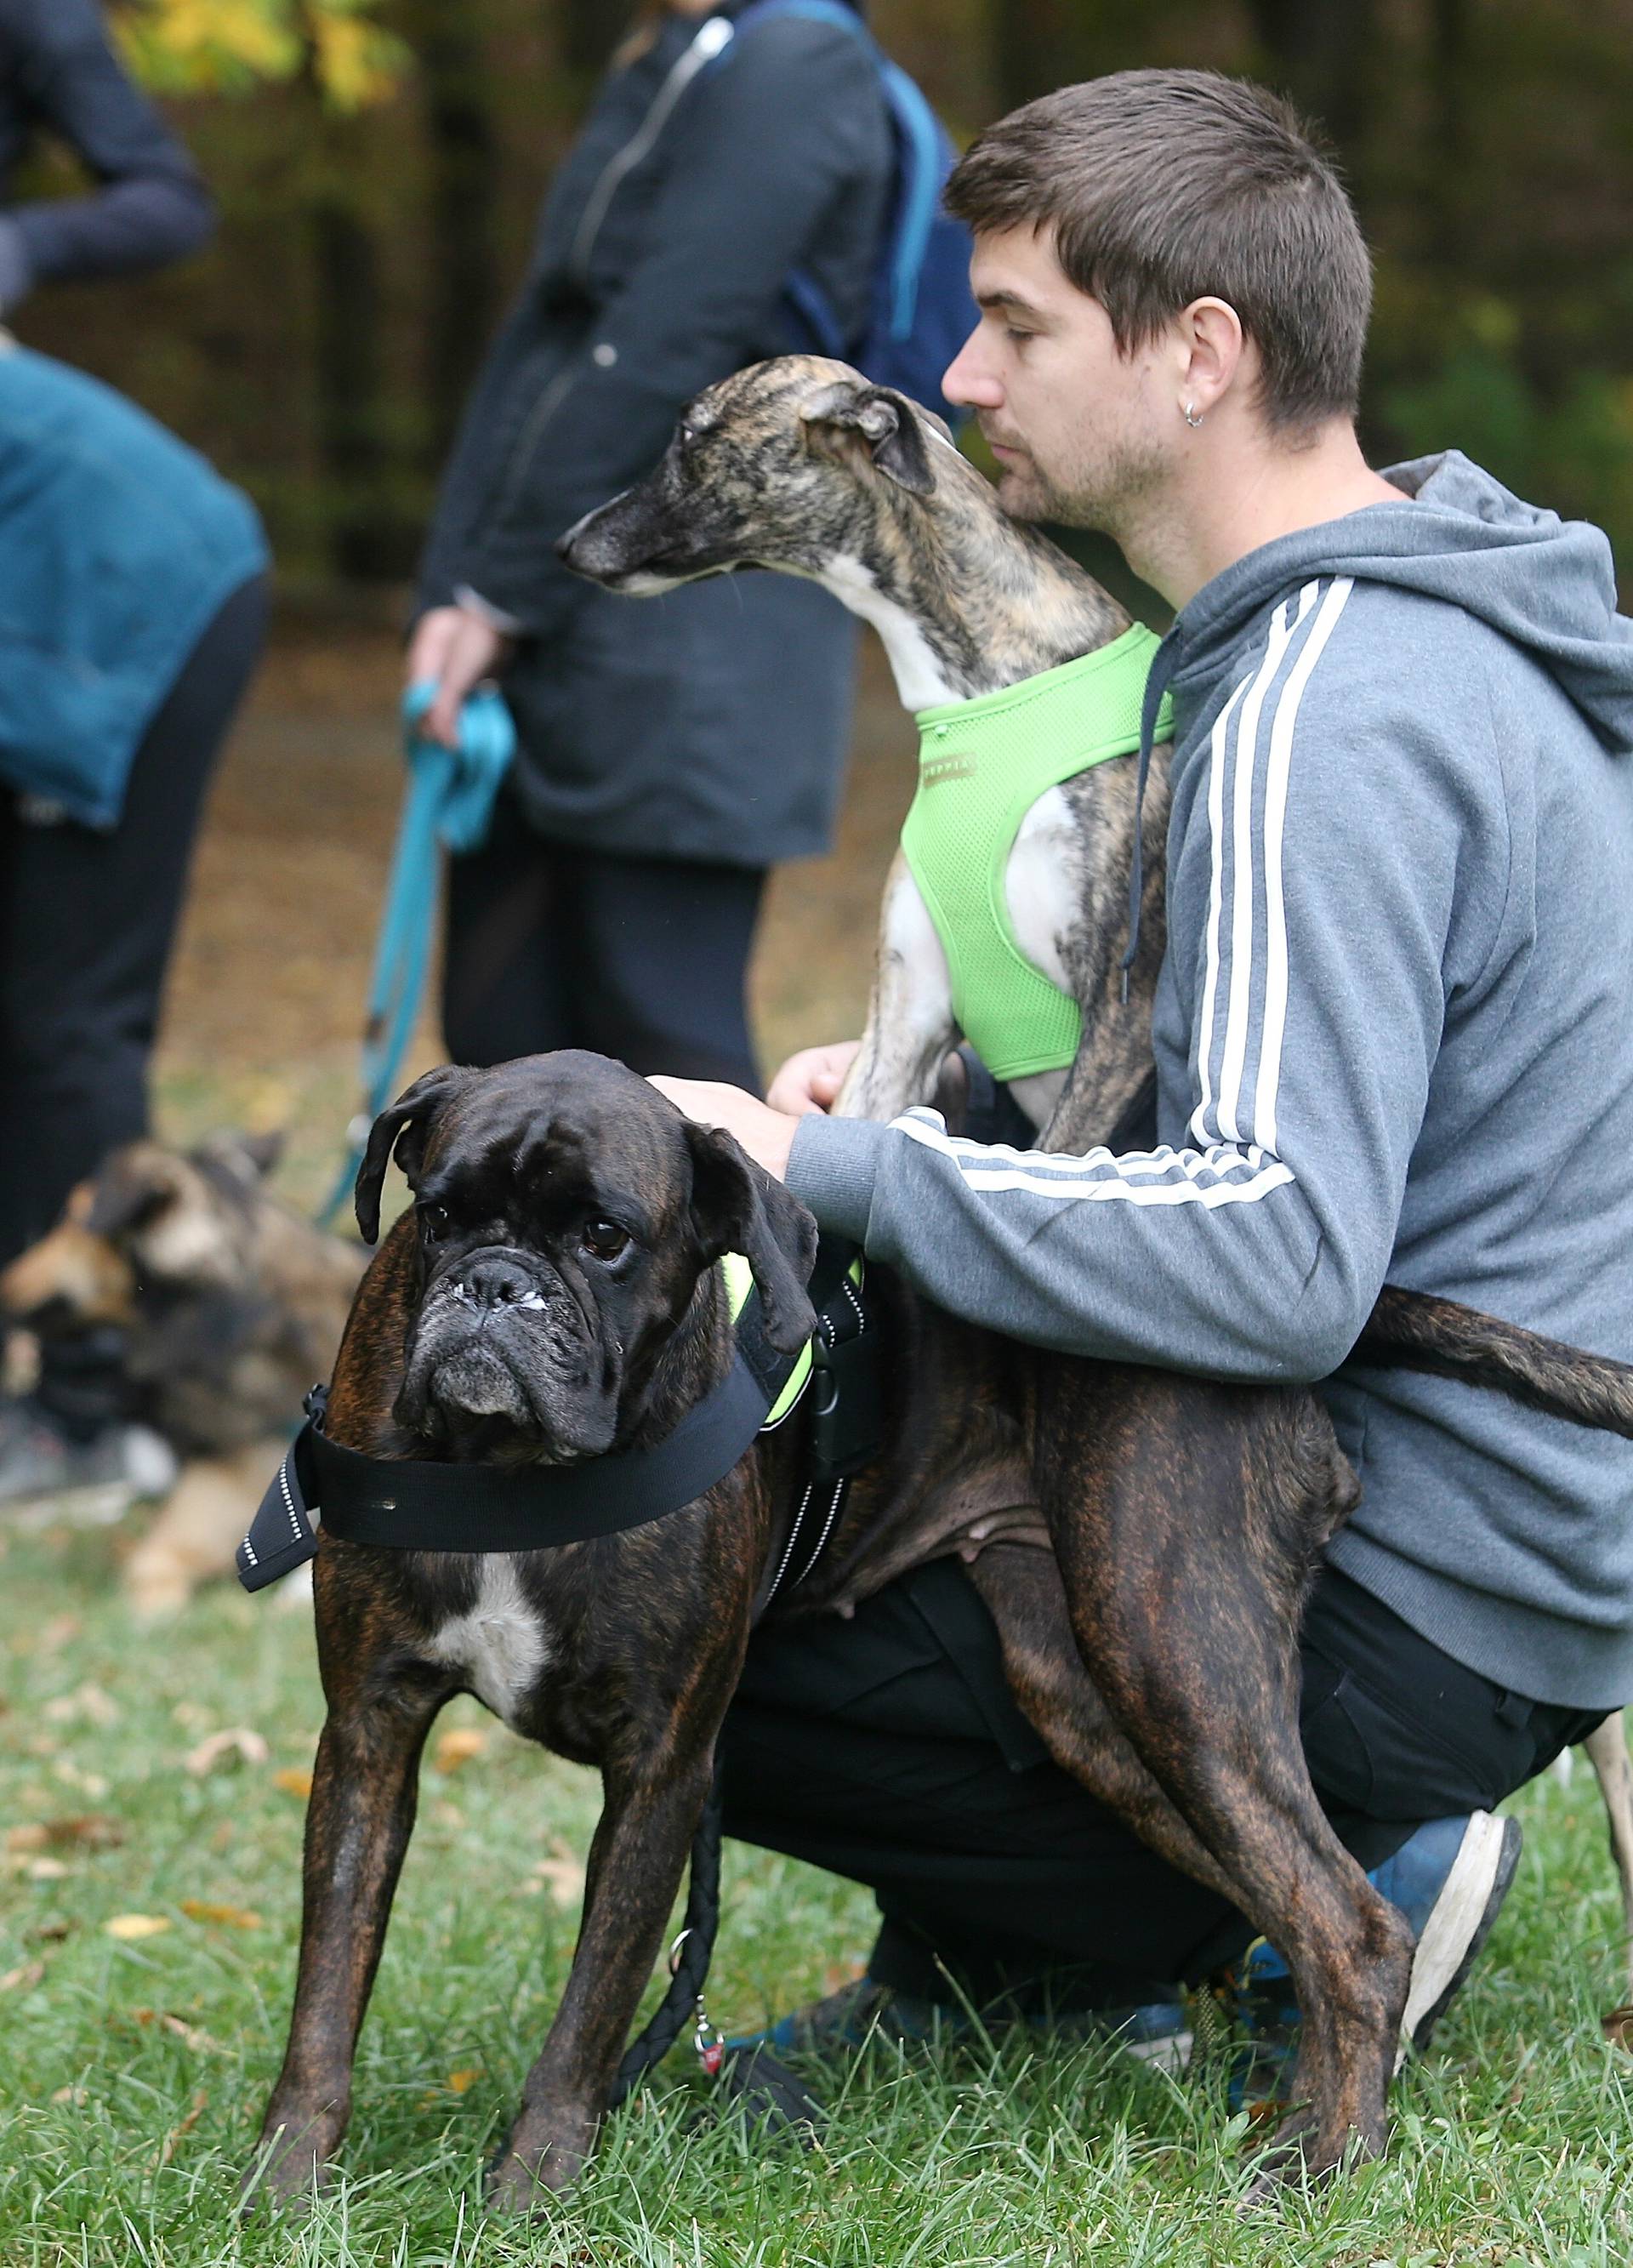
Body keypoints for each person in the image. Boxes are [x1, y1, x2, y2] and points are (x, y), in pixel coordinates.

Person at [652, 69, 1633, 2066]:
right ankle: (1051, 1942)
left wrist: (816, 1166)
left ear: (1198, 351)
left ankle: (1238, 1884)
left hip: (1407, 1574)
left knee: (657, 1601)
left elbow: (1278, 1250)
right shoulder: (1433, 626)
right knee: (851, 1439)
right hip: (1516, 1531)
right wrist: (954, 1119)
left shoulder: (1321, 709)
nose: (961, 374)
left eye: (1014, 322)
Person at [408, 0, 893, 1095]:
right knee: (497, 1034)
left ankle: (741, 1274)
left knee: (660, 1035)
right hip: (558, 611)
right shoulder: (673, 53)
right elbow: (546, 340)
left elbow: (673, 331)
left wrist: (496, 594)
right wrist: (454, 587)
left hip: (701, 641)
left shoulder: (798, 56)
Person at [0, 0, 268, 1505]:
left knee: (66, 1020)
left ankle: (100, 1413)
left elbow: (158, 193)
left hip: (151, 600)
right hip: (45, 608)